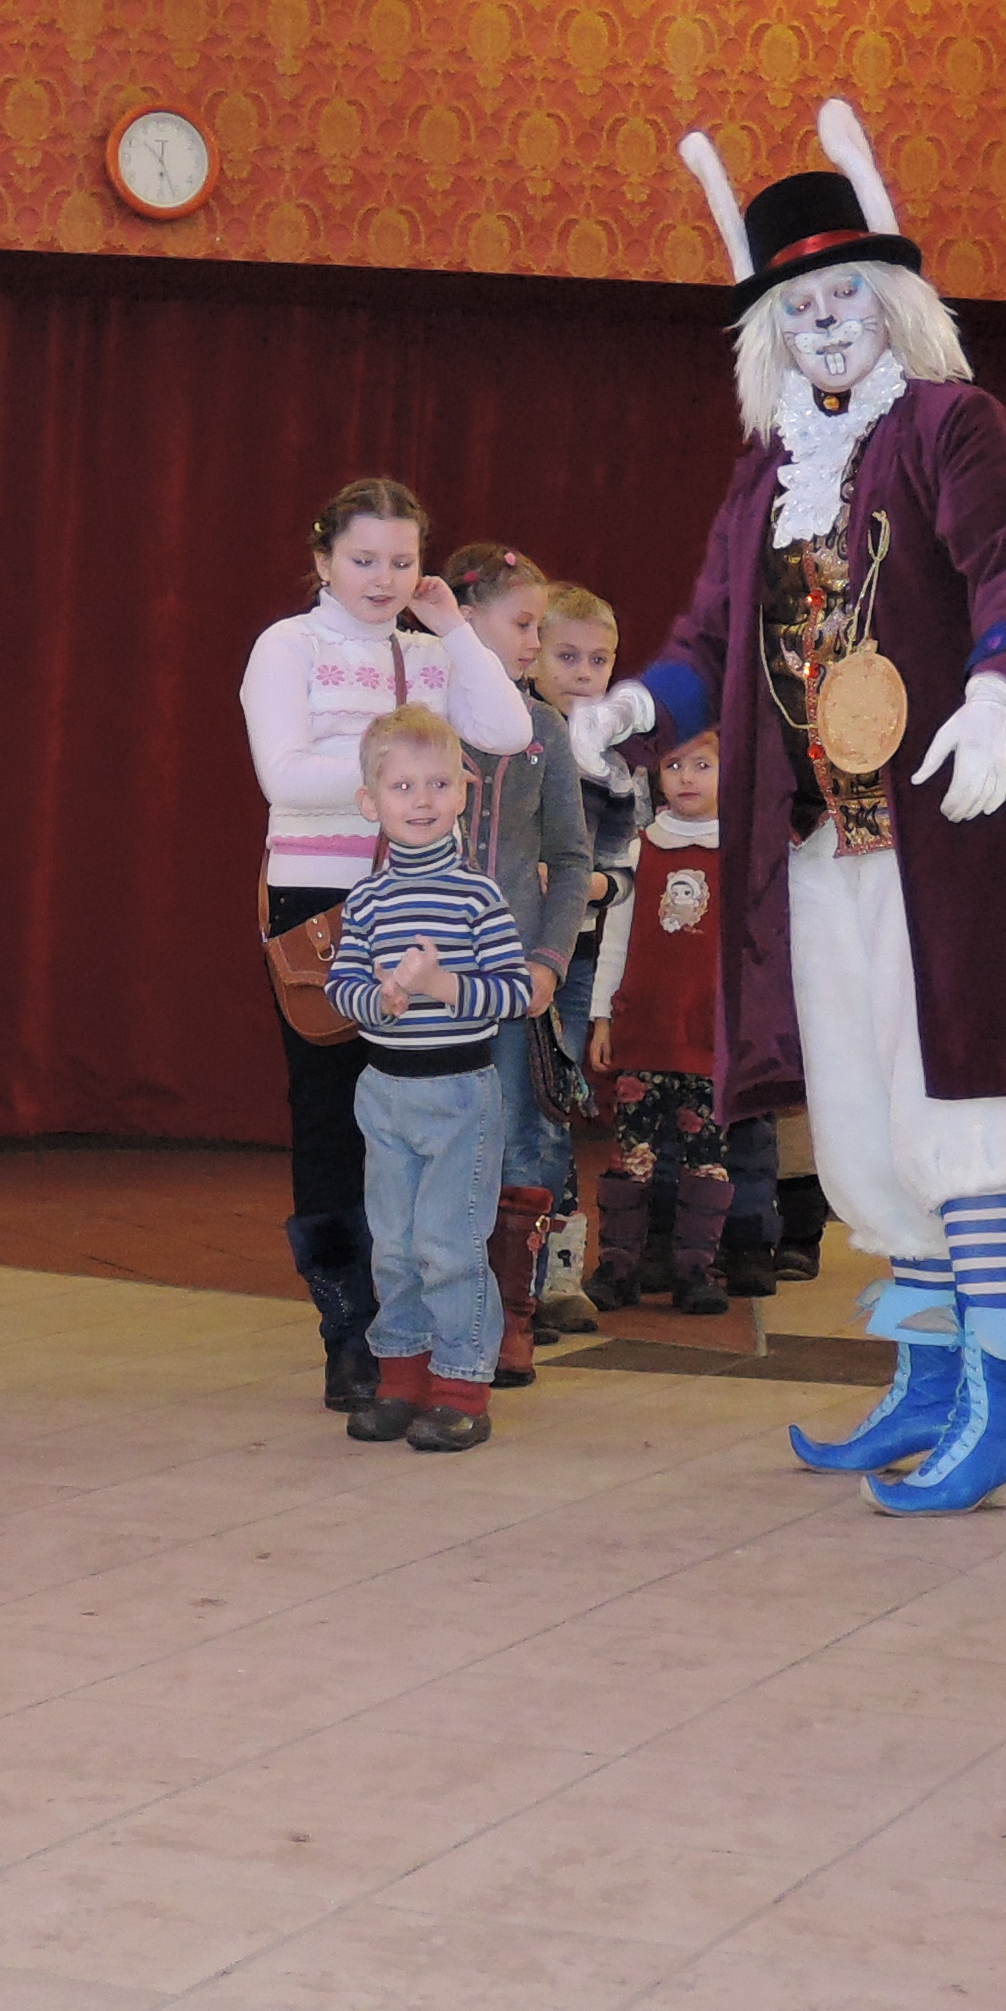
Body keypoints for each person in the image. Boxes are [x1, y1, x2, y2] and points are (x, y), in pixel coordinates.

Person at [576, 100, 1006, 1513]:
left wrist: (997, 697)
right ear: (771, 331)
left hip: (956, 832)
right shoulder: (766, 475)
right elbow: (711, 638)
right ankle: (929, 1383)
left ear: (890, 304)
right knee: (873, 1114)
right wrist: (640, 709)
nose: (825, 324)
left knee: (966, 1096)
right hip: (822, 841)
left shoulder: (953, 424)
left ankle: (995, 1408)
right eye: (800, 306)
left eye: (844, 298)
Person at [242, 480, 533, 1410]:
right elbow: (283, 774)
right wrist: (402, 770)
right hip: (322, 902)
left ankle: (436, 1337)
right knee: (333, 1116)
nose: (383, 578)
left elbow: (508, 730)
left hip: (429, 897)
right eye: (363, 559)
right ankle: (349, 1332)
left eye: (402, 561)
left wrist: (454, 632)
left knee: (436, 1107)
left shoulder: (430, 652)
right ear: (323, 560)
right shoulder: (289, 645)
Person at [320, 706, 549, 1454]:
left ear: (462, 795)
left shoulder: (478, 896)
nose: (421, 800)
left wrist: (442, 986)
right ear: (370, 803)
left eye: (437, 784)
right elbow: (340, 987)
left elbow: (515, 992)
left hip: (458, 1095)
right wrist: (381, 999)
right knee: (393, 1247)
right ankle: (402, 1380)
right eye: (402, 786)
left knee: (449, 1247)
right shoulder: (368, 900)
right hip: (384, 1093)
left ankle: (460, 1388)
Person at [439, 543, 589, 1387]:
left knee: (519, 1139)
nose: (536, 641)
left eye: (540, 627)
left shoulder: (546, 731)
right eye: (523, 624)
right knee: (435, 1141)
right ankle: (433, 1318)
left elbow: (570, 859)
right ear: (464, 620)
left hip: (513, 981)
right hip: (427, 979)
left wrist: (547, 962)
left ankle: (509, 1319)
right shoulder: (423, 720)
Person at [588, 725, 736, 1313]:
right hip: (642, 1032)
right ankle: (618, 1266)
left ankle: (696, 1271)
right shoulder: (639, 849)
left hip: (709, 1035)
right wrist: (602, 1016)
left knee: (708, 1158)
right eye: (673, 767)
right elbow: (615, 939)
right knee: (632, 1157)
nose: (686, 779)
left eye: (702, 765)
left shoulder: (740, 850)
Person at [533, 583, 634, 1338]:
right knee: (509, 1107)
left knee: (554, 1105)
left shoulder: (616, 761)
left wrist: (588, 882)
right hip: (506, 951)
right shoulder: (511, 735)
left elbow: (630, 865)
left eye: (598, 660)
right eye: (566, 656)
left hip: (580, 952)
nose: (583, 673)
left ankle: (560, 1271)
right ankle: (503, 1268)